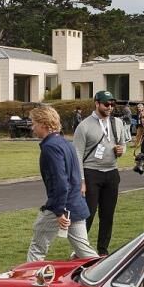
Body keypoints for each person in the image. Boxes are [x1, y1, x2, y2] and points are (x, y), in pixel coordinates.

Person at [26, 106, 94, 263]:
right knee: (83, 250)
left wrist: (59, 211)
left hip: (61, 206)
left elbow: (60, 182)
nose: (32, 127)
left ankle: (29, 279)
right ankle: (105, 275)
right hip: (76, 205)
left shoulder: (50, 147)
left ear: (44, 124)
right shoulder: (66, 143)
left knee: (37, 246)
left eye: (34, 123)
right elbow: (74, 177)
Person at [74, 90, 129, 255]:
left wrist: (121, 150)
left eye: (112, 104)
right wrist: (81, 180)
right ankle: (80, 250)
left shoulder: (117, 122)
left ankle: (103, 250)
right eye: (106, 104)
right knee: (89, 214)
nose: (110, 107)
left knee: (108, 215)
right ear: (96, 103)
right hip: (91, 172)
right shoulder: (84, 126)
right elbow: (77, 154)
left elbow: (123, 143)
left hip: (111, 172)